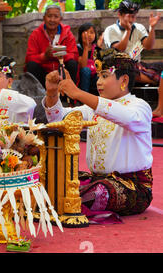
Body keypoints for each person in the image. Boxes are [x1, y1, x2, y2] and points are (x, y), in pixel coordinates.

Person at [43, 48, 153, 223]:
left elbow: (125, 117)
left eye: (104, 76)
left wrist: (78, 93)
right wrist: (52, 94)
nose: (98, 82)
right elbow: (59, 119)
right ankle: (61, 199)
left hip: (133, 187)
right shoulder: (92, 107)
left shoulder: (139, 106)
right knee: (54, 176)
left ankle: (58, 201)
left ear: (124, 80)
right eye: (99, 76)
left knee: (99, 191)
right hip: (97, 179)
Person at [102, 0, 163, 116]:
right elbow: (119, 49)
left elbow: (148, 46)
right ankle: (156, 78)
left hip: (137, 65)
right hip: (117, 66)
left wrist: (152, 28)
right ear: (119, 14)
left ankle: (157, 84)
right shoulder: (110, 30)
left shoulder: (139, 28)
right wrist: (128, 30)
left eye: (134, 16)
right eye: (129, 16)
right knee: (127, 67)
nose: (132, 20)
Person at [25, 4, 78, 98]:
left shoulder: (67, 33)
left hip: (60, 70)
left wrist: (60, 55)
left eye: (56, 17)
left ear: (60, 19)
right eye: (49, 16)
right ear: (44, 18)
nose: (52, 20)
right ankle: (39, 96)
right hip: (44, 72)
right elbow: (29, 57)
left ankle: (68, 96)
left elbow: (74, 55)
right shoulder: (35, 34)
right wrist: (44, 56)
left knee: (72, 64)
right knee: (31, 65)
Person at [77, 22, 99, 94]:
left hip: (94, 77)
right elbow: (83, 66)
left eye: (92, 32)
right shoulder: (77, 48)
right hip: (82, 78)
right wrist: (86, 47)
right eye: (86, 32)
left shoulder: (96, 48)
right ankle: (84, 97)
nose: (89, 35)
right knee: (86, 70)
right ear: (80, 35)